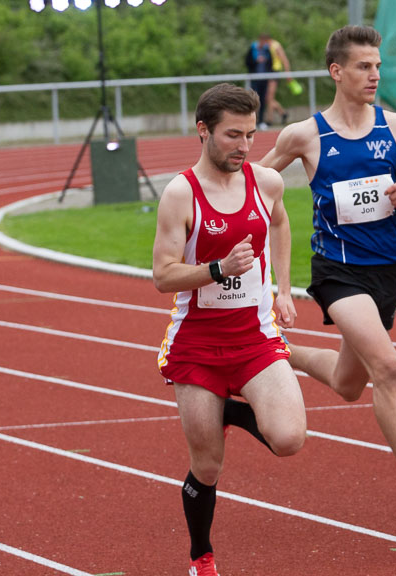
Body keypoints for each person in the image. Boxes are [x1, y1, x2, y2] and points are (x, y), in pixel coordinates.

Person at [258, 25, 396, 524]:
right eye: (363, 67)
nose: (374, 75)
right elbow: (256, 186)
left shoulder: (395, 127)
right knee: (388, 369)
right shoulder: (305, 135)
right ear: (337, 72)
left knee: (350, 383)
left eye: (377, 66)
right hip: (337, 272)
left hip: (389, 269)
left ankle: (272, 351)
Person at [153, 83, 307, 575]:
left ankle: (229, 412)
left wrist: (284, 288)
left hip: (255, 337)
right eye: (232, 135)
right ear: (203, 131)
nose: (244, 146)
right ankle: (201, 555)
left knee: (289, 438)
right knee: (208, 465)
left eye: (251, 135)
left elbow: (279, 225)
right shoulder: (181, 193)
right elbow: (162, 275)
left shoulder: (267, 182)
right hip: (197, 345)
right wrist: (217, 269)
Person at [245, 33, 274, 129]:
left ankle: (261, 121)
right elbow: (247, 62)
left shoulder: (266, 50)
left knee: (262, 100)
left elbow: (271, 62)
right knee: (253, 100)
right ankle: (252, 121)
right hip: (254, 78)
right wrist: (256, 61)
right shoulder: (252, 49)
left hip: (264, 78)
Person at [265, 37, 294, 126]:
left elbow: (284, 60)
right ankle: (283, 113)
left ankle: (270, 120)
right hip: (269, 72)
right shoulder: (266, 46)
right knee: (268, 98)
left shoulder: (275, 45)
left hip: (275, 72)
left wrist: (288, 74)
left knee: (269, 97)